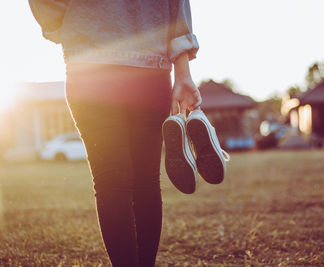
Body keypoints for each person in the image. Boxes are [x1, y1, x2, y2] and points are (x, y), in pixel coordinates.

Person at [29, 0, 201, 266]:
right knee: (146, 182)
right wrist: (183, 72)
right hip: (150, 67)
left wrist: (66, 22)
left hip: (90, 59)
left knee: (111, 182)